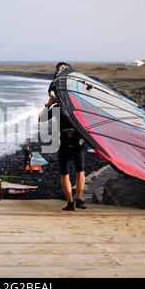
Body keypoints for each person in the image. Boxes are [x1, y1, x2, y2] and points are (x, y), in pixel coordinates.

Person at [38, 63, 87, 211]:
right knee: (80, 172)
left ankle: (70, 203)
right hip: (78, 143)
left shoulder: (57, 107)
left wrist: (49, 103)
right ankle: (78, 200)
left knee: (65, 174)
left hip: (65, 144)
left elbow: (41, 119)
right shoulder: (78, 106)